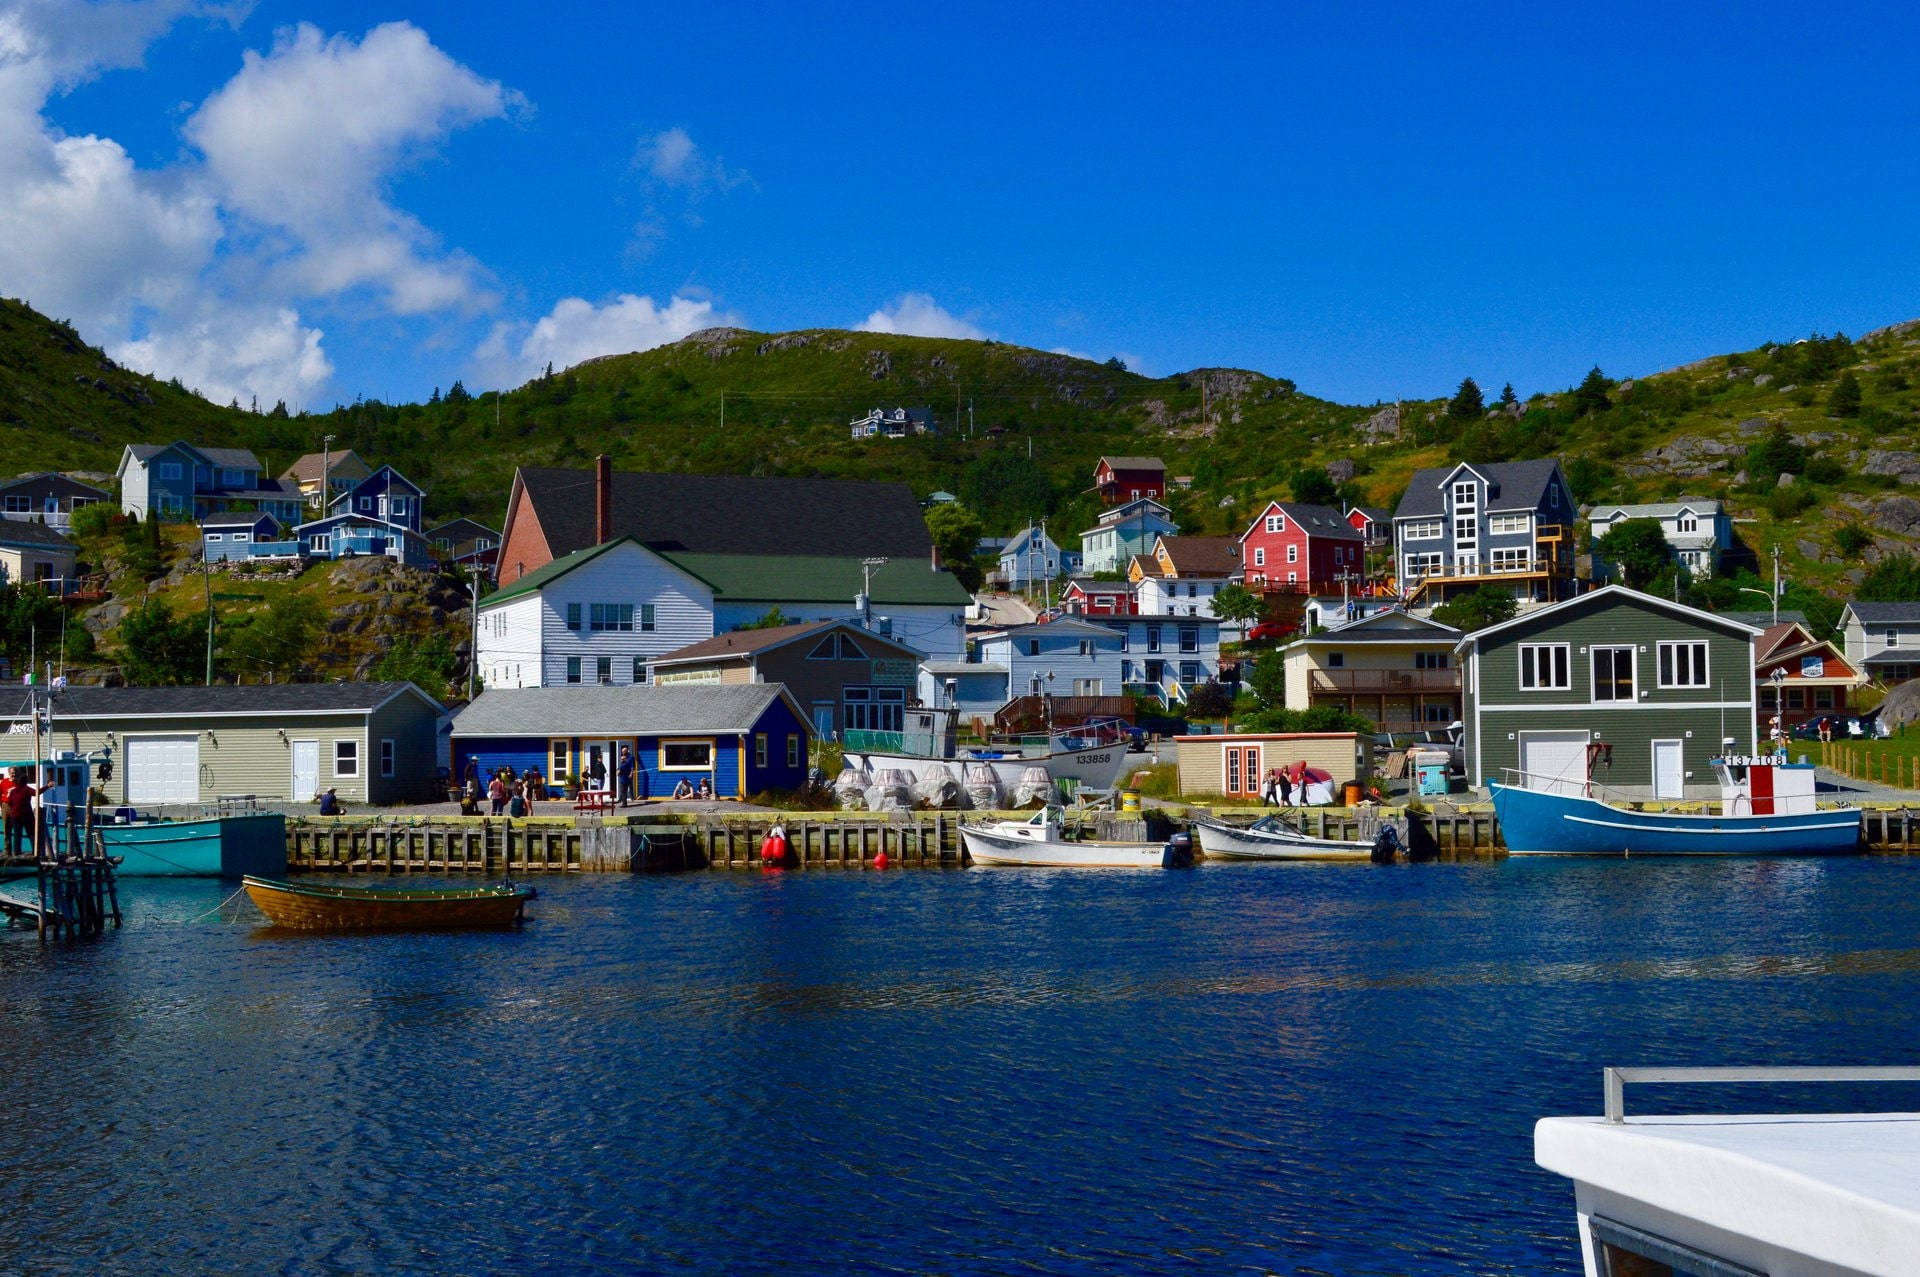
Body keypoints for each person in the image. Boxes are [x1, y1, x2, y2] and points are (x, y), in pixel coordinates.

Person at [3, 767, 31, 858]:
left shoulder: (19, 783)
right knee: (6, 829)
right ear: (9, 773)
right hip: (6, 805)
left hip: (15, 808)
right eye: (11, 773)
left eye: (15, 772)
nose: (13, 774)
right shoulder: (4, 782)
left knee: (16, 830)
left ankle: (16, 851)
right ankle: (7, 851)